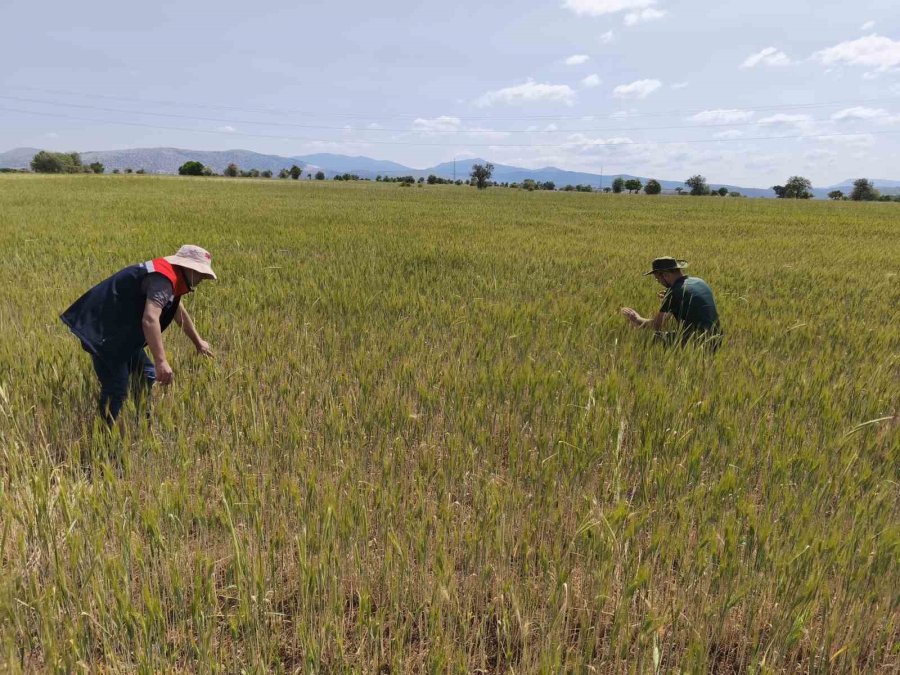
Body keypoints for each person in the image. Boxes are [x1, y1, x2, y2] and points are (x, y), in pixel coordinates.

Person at [61, 245, 216, 424]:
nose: (202, 279)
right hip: (104, 331)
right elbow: (150, 319)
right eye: (201, 273)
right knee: (117, 387)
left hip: (120, 331)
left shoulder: (172, 278)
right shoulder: (163, 280)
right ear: (188, 268)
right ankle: (105, 436)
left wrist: (198, 342)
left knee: (146, 373)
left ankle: (142, 420)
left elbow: (175, 310)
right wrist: (161, 361)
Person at [621, 256, 722, 349]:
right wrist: (670, 298)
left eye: (657, 278)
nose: (658, 282)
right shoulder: (699, 281)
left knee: (651, 339)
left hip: (698, 341)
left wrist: (636, 318)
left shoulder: (675, 292)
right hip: (717, 338)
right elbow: (693, 300)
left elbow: (657, 325)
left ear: (665, 275)